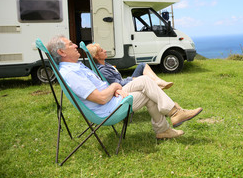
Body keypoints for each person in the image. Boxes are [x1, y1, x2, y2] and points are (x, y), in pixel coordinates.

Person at [47, 35, 203, 139]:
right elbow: (100, 99)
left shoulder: (76, 67)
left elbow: (102, 92)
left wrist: (115, 89)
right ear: (61, 51)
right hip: (108, 109)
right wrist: (115, 86)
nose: (75, 45)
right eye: (70, 44)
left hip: (112, 98)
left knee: (146, 84)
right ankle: (172, 116)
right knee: (148, 86)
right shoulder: (70, 73)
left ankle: (167, 124)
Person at [86, 43, 173, 89]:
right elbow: (118, 84)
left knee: (142, 65)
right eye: (101, 51)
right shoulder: (102, 70)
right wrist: (132, 79)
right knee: (145, 79)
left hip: (125, 82)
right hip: (124, 87)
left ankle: (158, 81)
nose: (105, 50)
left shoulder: (105, 64)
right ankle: (157, 84)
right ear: (96, 56)